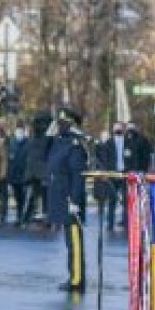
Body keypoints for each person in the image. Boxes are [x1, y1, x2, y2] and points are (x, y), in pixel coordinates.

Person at [46, 107, 88, 293]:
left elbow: (77, 176)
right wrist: (48, 135)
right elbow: (43, 156)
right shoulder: (58, 142)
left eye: (63, 123)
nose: (59, 126)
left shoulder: (75, 145)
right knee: (69, 242)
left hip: (70, 199)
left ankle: (77, 279)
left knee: (74, 242)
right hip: (61, 198)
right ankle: (73, 276)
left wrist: (75, 201)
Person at [7, 122, 29, 226]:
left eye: (21, 131)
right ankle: (19, 216)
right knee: (17, 197)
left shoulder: (28, 143)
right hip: (14, 176)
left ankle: (22, 217)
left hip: (24, 175)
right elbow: (9, 159)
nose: (19, 132)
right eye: (18, 130)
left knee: (24, 198)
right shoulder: (12, 142)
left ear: (24, 131)